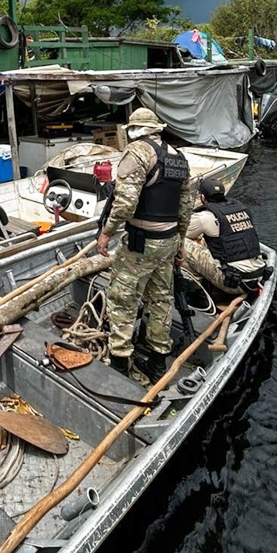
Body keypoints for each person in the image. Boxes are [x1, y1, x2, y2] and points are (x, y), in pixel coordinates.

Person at [96, 107, 193, 384]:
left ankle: (119, 361)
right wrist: (181, 242)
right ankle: (158, 361)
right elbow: (185, 206)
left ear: (134, 130)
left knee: (122, 298)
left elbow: (125, 204)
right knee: (161, 298)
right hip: (169, 240)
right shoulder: (179, 157)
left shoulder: (137, 152)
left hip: (141, 242)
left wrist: (106, 233)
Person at [183, 178, 267, 294]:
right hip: (258, 276)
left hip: (232, 282)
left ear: (202, 198)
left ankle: (197, 287)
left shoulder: (205, 217)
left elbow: (182, 232)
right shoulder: (243, 209)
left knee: (180, 241)